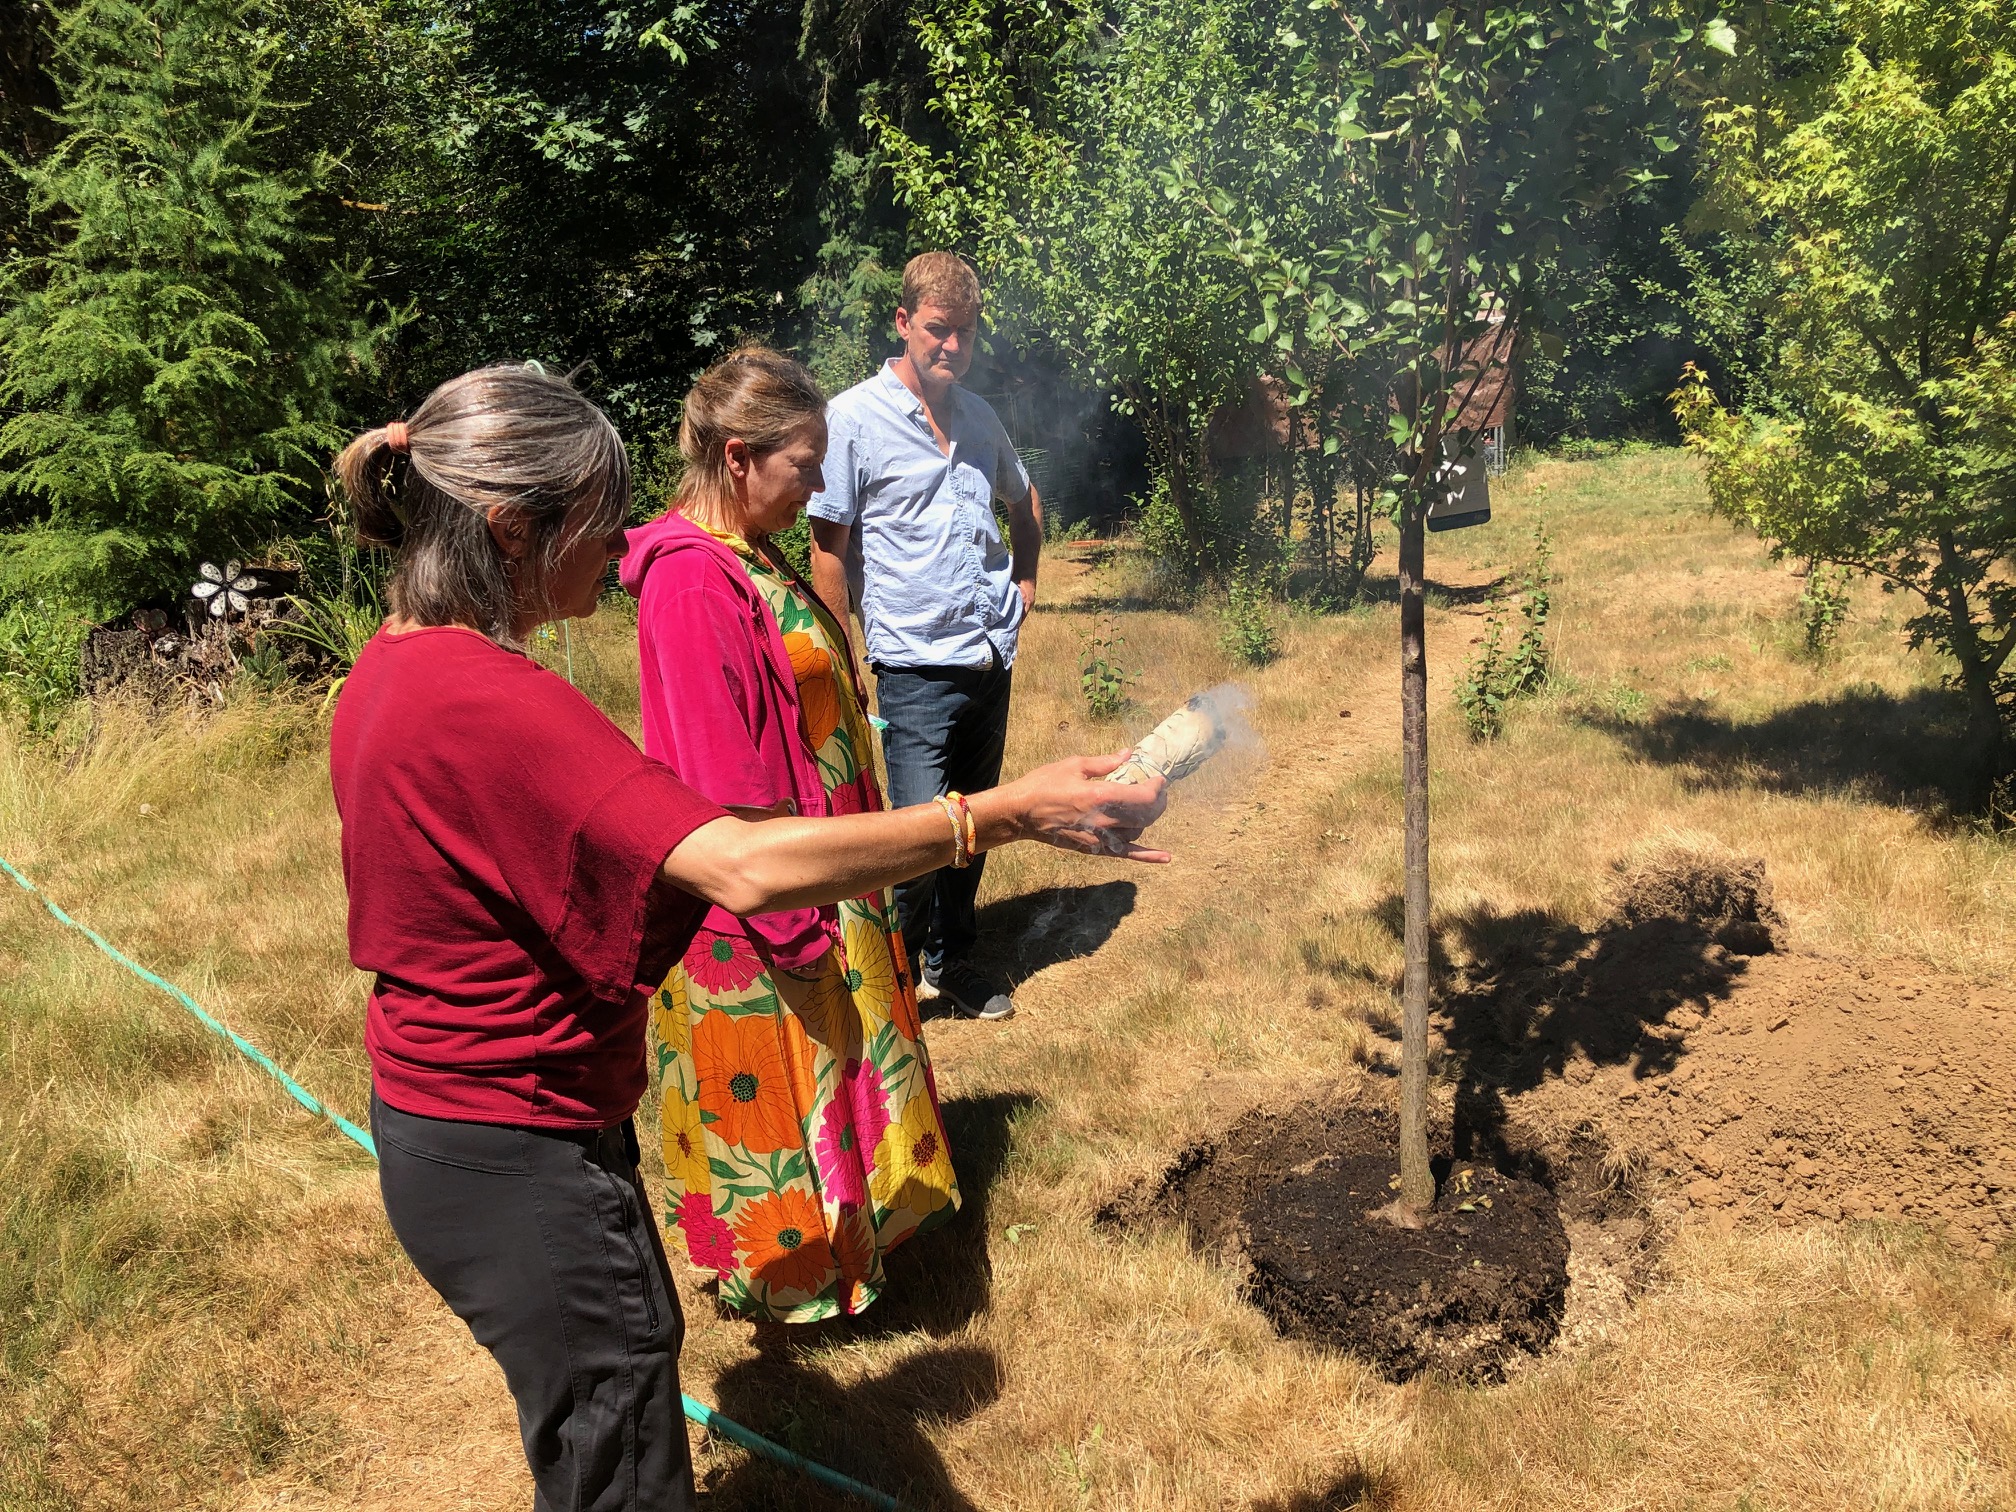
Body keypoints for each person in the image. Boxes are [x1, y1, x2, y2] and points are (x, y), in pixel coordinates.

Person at [327, 363, 1166, 1512]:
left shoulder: (391, 670)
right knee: (618, 1447)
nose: (616, 549)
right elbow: (741, 862)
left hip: (471, 1122)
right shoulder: (487, 697)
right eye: (595, 521)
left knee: (608, 1404)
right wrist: (998, 814)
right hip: (512, 1139)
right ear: (513, 530)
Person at [623, 347, 954, 1323]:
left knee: (840, 1069)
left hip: (824, 875)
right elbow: (726, 787)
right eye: (805, 464)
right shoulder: (692, 583)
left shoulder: (751, 551)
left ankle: (858, 1250)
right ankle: (804, 1281)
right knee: (785, 1082)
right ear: (738, 458)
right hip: (775, 905)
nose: (819, 485)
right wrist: (800, 939)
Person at [808, 252, 1039, 1022]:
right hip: (912, 665)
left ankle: (953, 962)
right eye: (939, 330)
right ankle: (893, 989)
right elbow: (828, 549)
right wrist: (841, 652)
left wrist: (1026, 582)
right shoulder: (853, 419)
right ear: (903, 322)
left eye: (965, 335)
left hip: (987, 654)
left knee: (969, 828)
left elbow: (1025, 497)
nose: (952, 347)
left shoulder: (979, 415)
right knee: (911, 842)